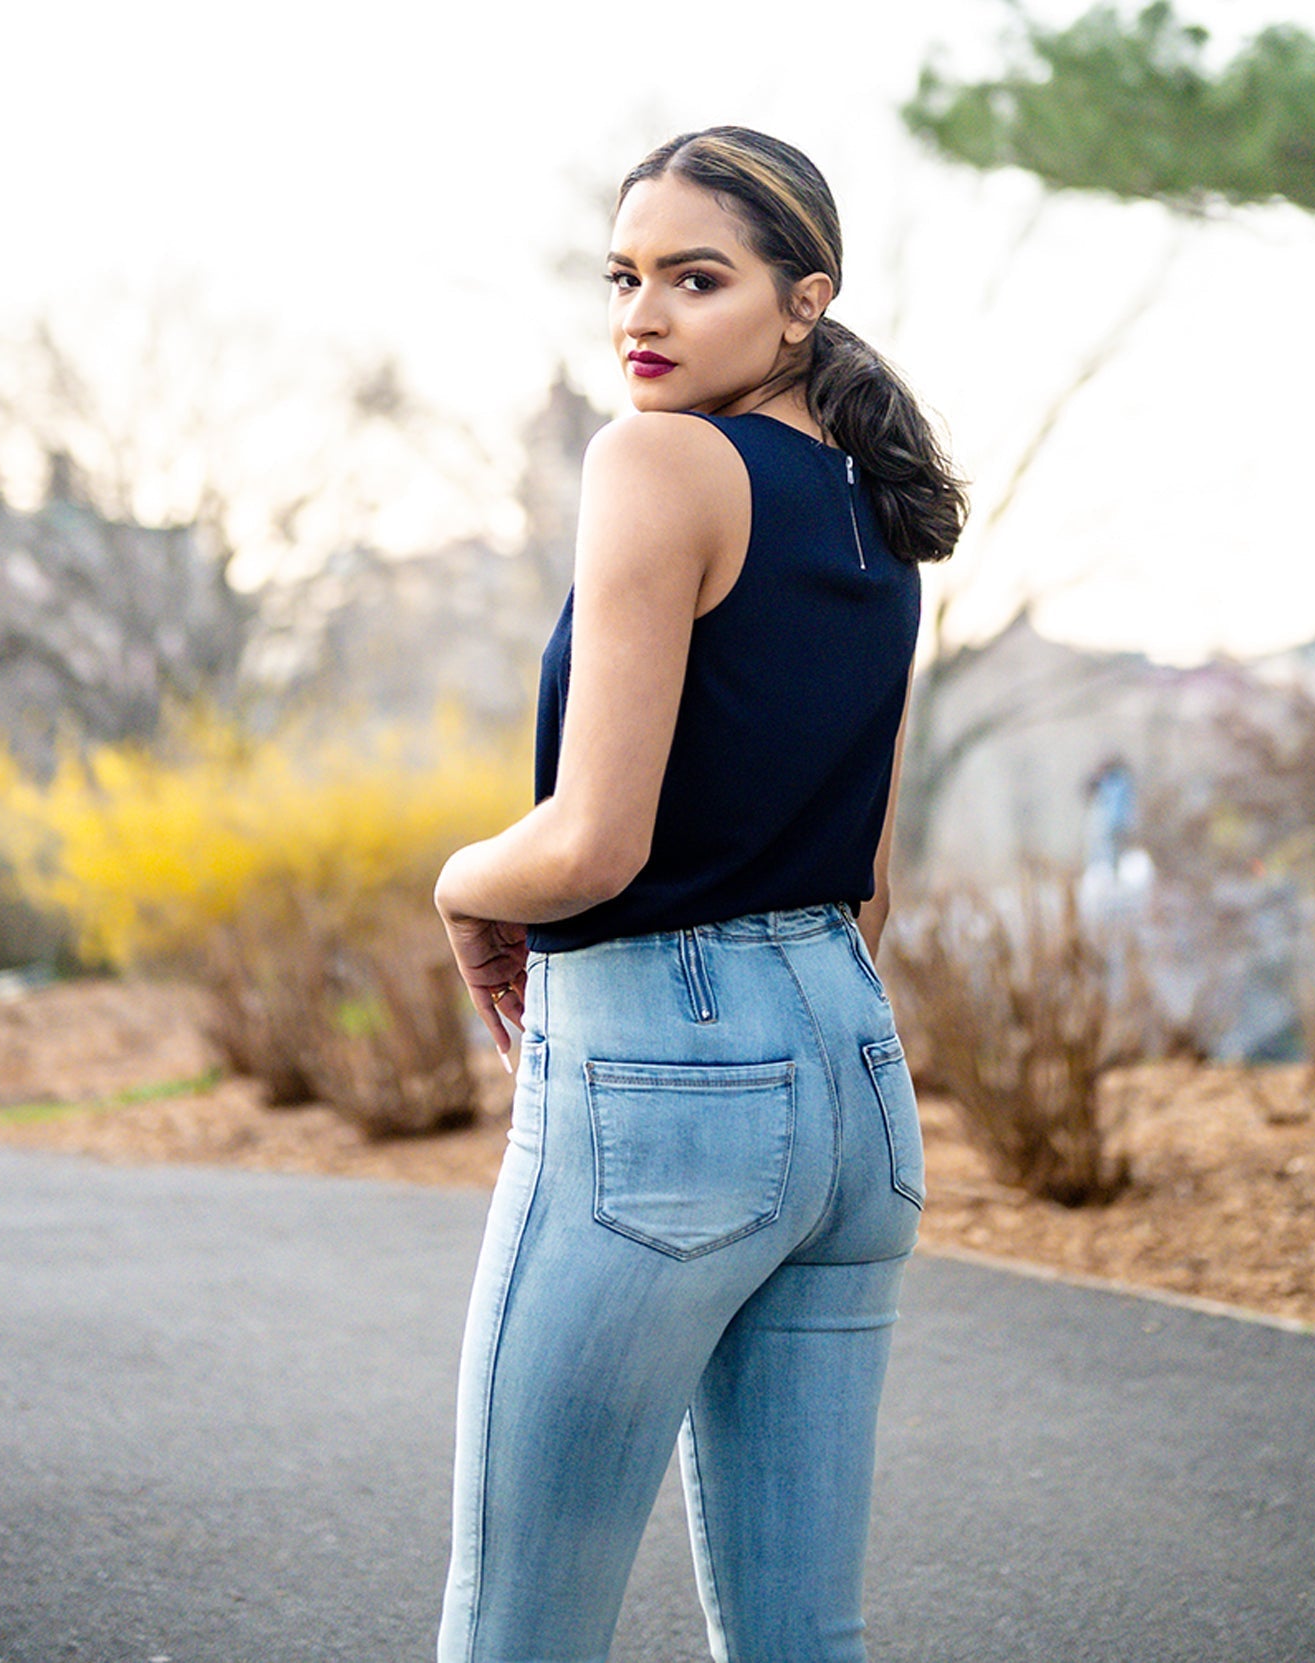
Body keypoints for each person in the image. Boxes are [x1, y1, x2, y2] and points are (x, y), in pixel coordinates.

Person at [432, 125, 967, 1663]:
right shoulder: (885, 524)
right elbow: (867, 883)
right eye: (623, 278)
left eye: (695, 278)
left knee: (516, 1628)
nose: (641, 318)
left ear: (805, 301)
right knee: (805, 1636)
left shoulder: (659, 462)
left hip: (663, 1075)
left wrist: (462, 882)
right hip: (854, 1080)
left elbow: (593, 843)